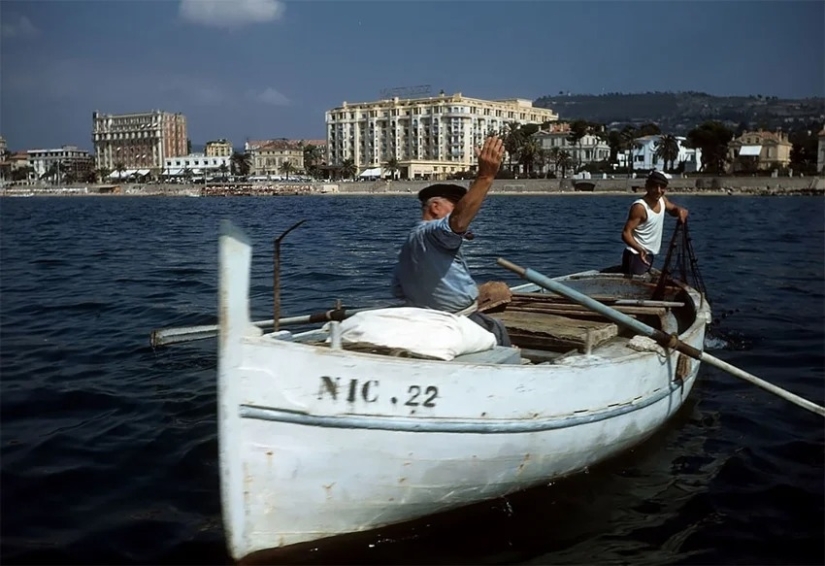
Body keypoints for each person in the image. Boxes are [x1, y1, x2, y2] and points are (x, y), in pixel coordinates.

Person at [391, 136, 511, 346]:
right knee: (496, 329)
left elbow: (398, 289)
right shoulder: (431, 232)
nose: (460, 210)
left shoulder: (410, 242)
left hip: (424, 320)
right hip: (457, 321)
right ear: (435, 207)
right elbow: (456, 222)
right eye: (455, 204)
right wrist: (486, 177)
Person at [621, 170, 689, 275]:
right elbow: (626, 233)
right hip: (635, 255)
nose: (658, 191)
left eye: (662, 187)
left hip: (649, 255)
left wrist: (680, 211)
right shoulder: (640, 207)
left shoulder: (662, 200)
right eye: (654, 187)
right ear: (647, 187)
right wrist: (640, 250)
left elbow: (672, 209)